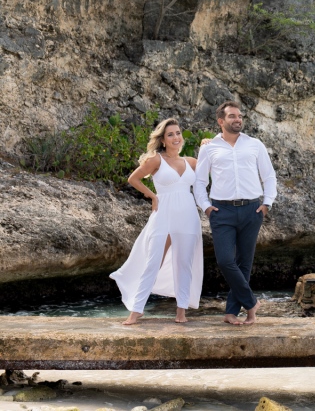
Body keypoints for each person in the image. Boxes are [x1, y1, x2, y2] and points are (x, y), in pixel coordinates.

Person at [110, 118, 204, 325]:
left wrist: (208, 145)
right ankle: (136, 310)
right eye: (170, 134)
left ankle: (181, 312)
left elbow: (215, 166)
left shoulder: (192, 162)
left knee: (184, 263)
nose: (176, 137)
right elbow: (133, 179)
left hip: (188, 215)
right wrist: (153, 196)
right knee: (153, 261)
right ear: (162, 139)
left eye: (178, 133)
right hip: (163, 213)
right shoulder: (156, 160)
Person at [194, 101, 277, 325]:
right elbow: (200, 181)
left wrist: (267, 203)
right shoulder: (209, 147)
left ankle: (233, 313)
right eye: (232, 116)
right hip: (222, 211)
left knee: (244, 264)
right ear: (221, 121)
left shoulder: (255, 145)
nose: (237, 119)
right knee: (224, 260)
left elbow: (269, 176)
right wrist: (207, 207)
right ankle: (251, 301)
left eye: (239, 116)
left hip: (252, 209)